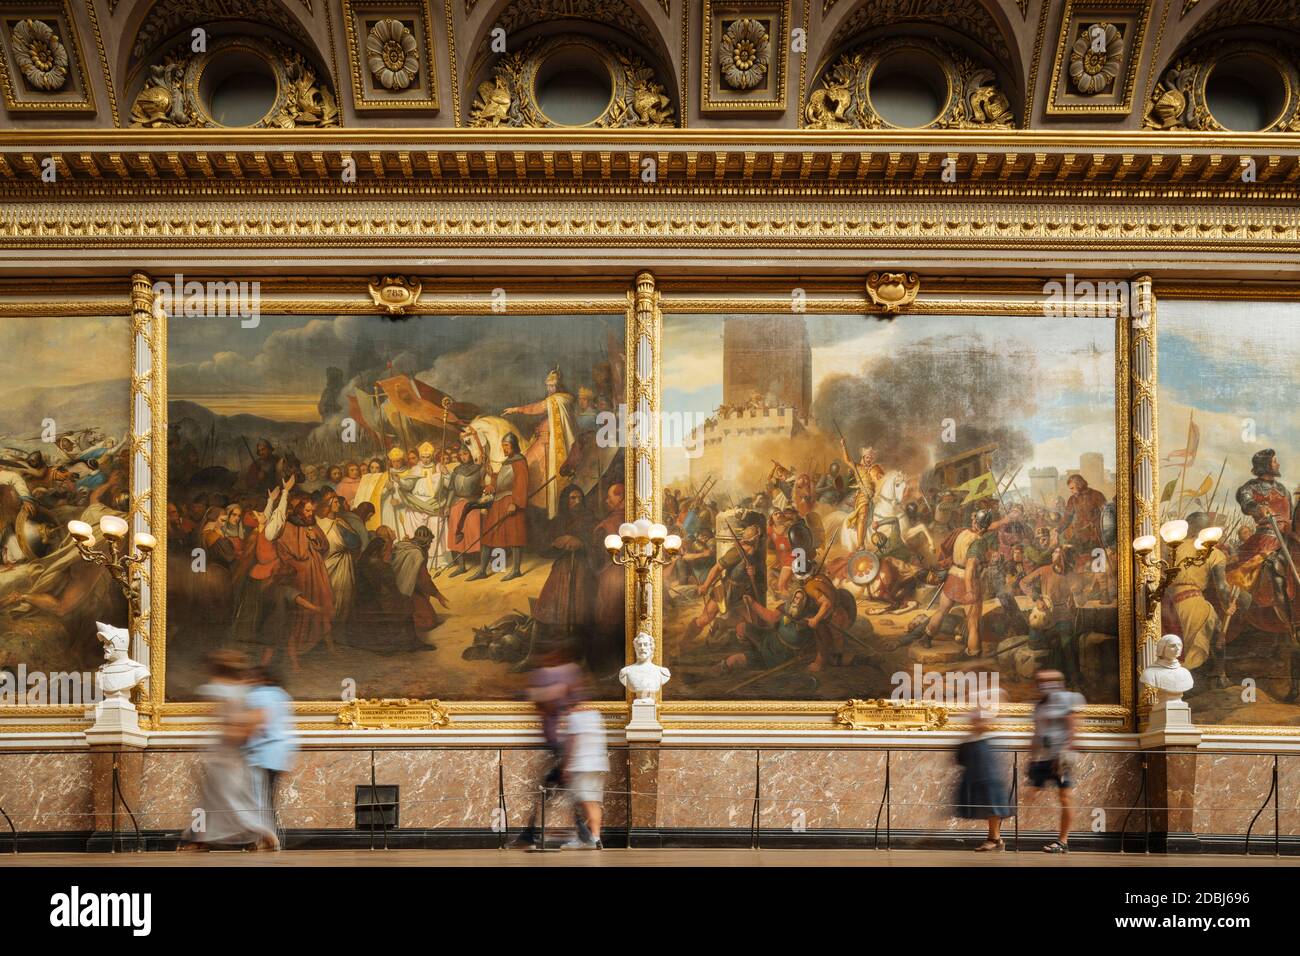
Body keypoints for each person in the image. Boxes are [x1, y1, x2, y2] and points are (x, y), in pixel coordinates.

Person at [178, 652, 280, 851]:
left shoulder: (217, 688)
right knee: (221, 799)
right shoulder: (243, 690)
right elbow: (255, 718)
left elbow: (226, 720)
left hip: (225, 751)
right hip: (233, 750)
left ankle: (261, 834)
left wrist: (232, 728)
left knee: (228, 800)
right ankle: (202, 839)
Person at [1028, 669, 1085, 853]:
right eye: (1041, 681)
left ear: (1058, 682)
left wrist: (1064, 754)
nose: (1044, 684)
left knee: (1065, 797)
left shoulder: (1068, 699)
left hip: (1061, 757)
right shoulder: (1039, 705)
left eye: (1049, 680)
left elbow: (1073, 727)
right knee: (1030, 793)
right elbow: (1037, 733)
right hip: (1043, 758)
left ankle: (1063, 841)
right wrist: (1031, 758)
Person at [244, 664, 298, 842]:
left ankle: (263, 838)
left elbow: (258, 723)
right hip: (280, 753)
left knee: (258, 799)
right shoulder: (282, 696)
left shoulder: (256, 696)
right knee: (268, 798)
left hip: (261, 752)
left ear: (259, 679)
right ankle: (272, 836)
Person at [955, 707, 1013, 851]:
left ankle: (994, 839)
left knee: (992, 807)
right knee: (989, 807)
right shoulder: (972, 739)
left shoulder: (989, 740)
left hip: (990, 778)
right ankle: (995, 839)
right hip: (979, 778)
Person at [560, 703, 609, 850]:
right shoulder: (595, 715)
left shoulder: (575, 718)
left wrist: (566, 765)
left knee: (585, 802)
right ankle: (594, 837)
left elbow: (572, 742)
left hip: (582, 765)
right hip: (598, 765)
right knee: (592, 802)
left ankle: (588, 839)